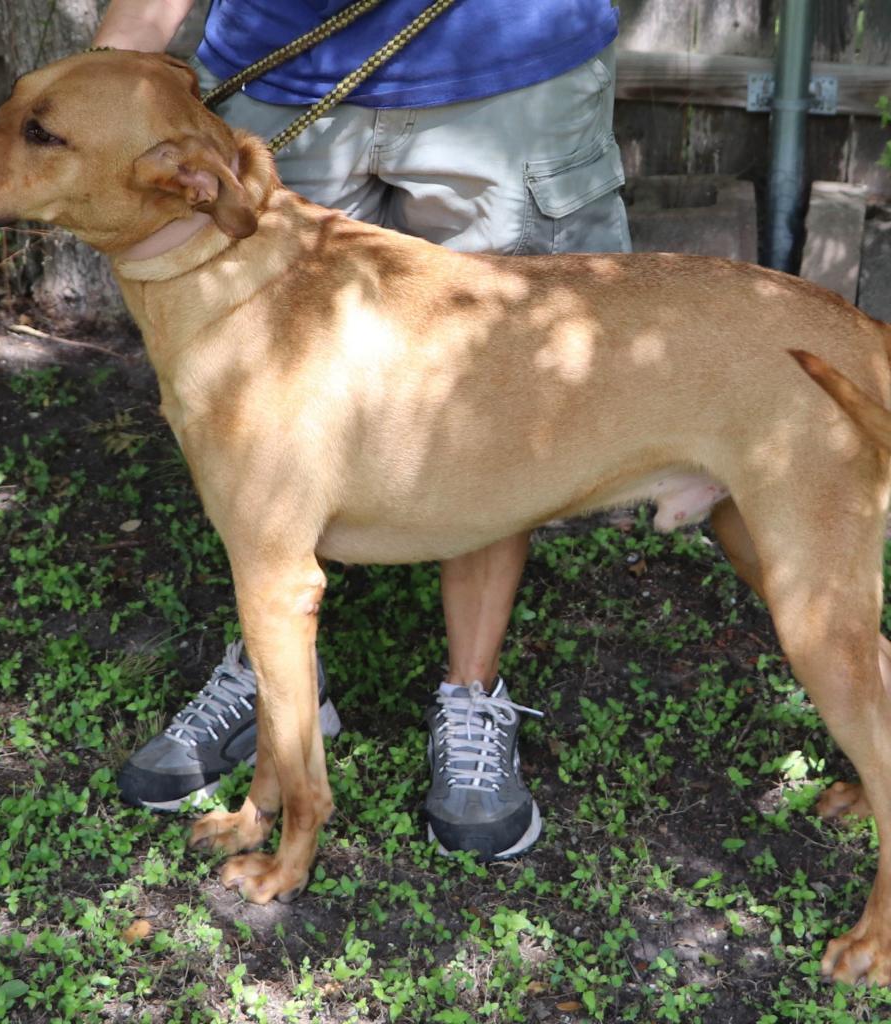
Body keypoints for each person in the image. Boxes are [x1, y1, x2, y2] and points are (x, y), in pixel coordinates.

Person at [97, 0, 631, 862]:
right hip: (282, 64)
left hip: (508, 63)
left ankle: (472, 695)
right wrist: (113, 63)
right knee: (252, 406)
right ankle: (279, 687)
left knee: (500, 395)